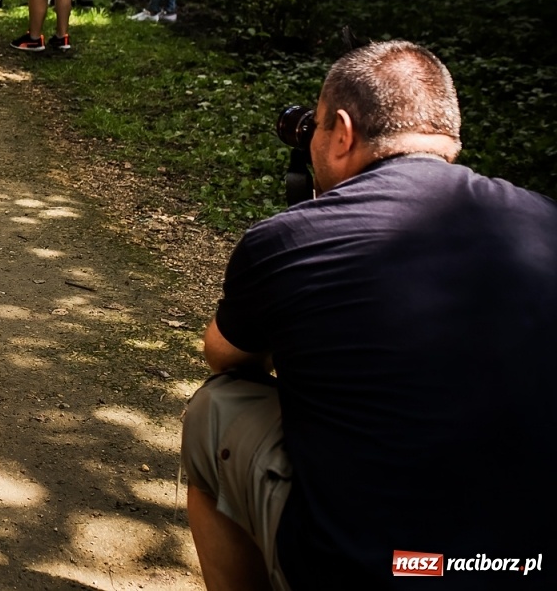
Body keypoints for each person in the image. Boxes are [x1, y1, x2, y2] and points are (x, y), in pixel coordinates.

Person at [185, 41, 556, 588]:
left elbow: (224, 355)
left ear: (341, 130)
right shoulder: (543, 222)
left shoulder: (290, 239)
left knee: (214, 407)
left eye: (312, 126)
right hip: (526, 567)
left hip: (379, 569)